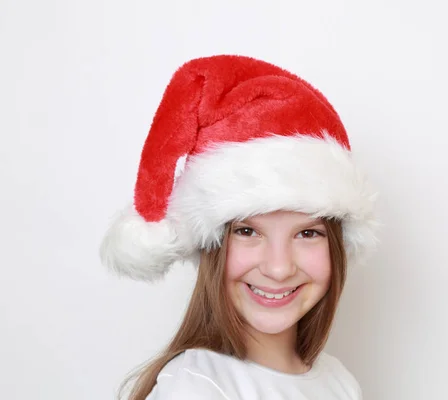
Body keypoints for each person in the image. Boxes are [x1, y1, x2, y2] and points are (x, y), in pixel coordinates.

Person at [100, 54, 378, 399]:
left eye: (307, 233)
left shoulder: (339, 382)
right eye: (247, 231)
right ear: (211, 245)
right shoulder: (196, 387)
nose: (278, 268)